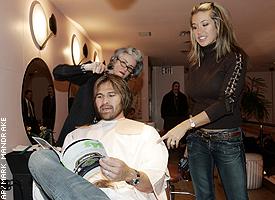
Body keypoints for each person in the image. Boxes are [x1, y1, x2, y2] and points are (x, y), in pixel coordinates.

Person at [159, 2, 249, 200]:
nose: (199, 31)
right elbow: (195, 104)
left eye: (205, 24)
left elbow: (227, 102)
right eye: (194, 26)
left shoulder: (236, 57)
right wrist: (190, 138)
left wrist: (186, 125)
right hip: (197, 140)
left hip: (227, 140)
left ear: (219, 25)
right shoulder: (195, 61)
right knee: (203, 197)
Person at [28, 74, 169, 200]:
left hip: (122, 195)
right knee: (39, 157)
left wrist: (128, 174)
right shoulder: (76, 135)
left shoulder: (145, 133)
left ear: (124, 98)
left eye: (111, 95)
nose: (105, 101)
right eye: (99, 96)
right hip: (79, 192)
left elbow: (153, 184)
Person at [53, 47, 143, 147]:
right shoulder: (94, 74)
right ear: (114, 60)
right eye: (123, 62)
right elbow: (58, 73)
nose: (125, 69)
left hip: (100, 146)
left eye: (130, 68)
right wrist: (87, 67)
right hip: (72, 139)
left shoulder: (124, 93)